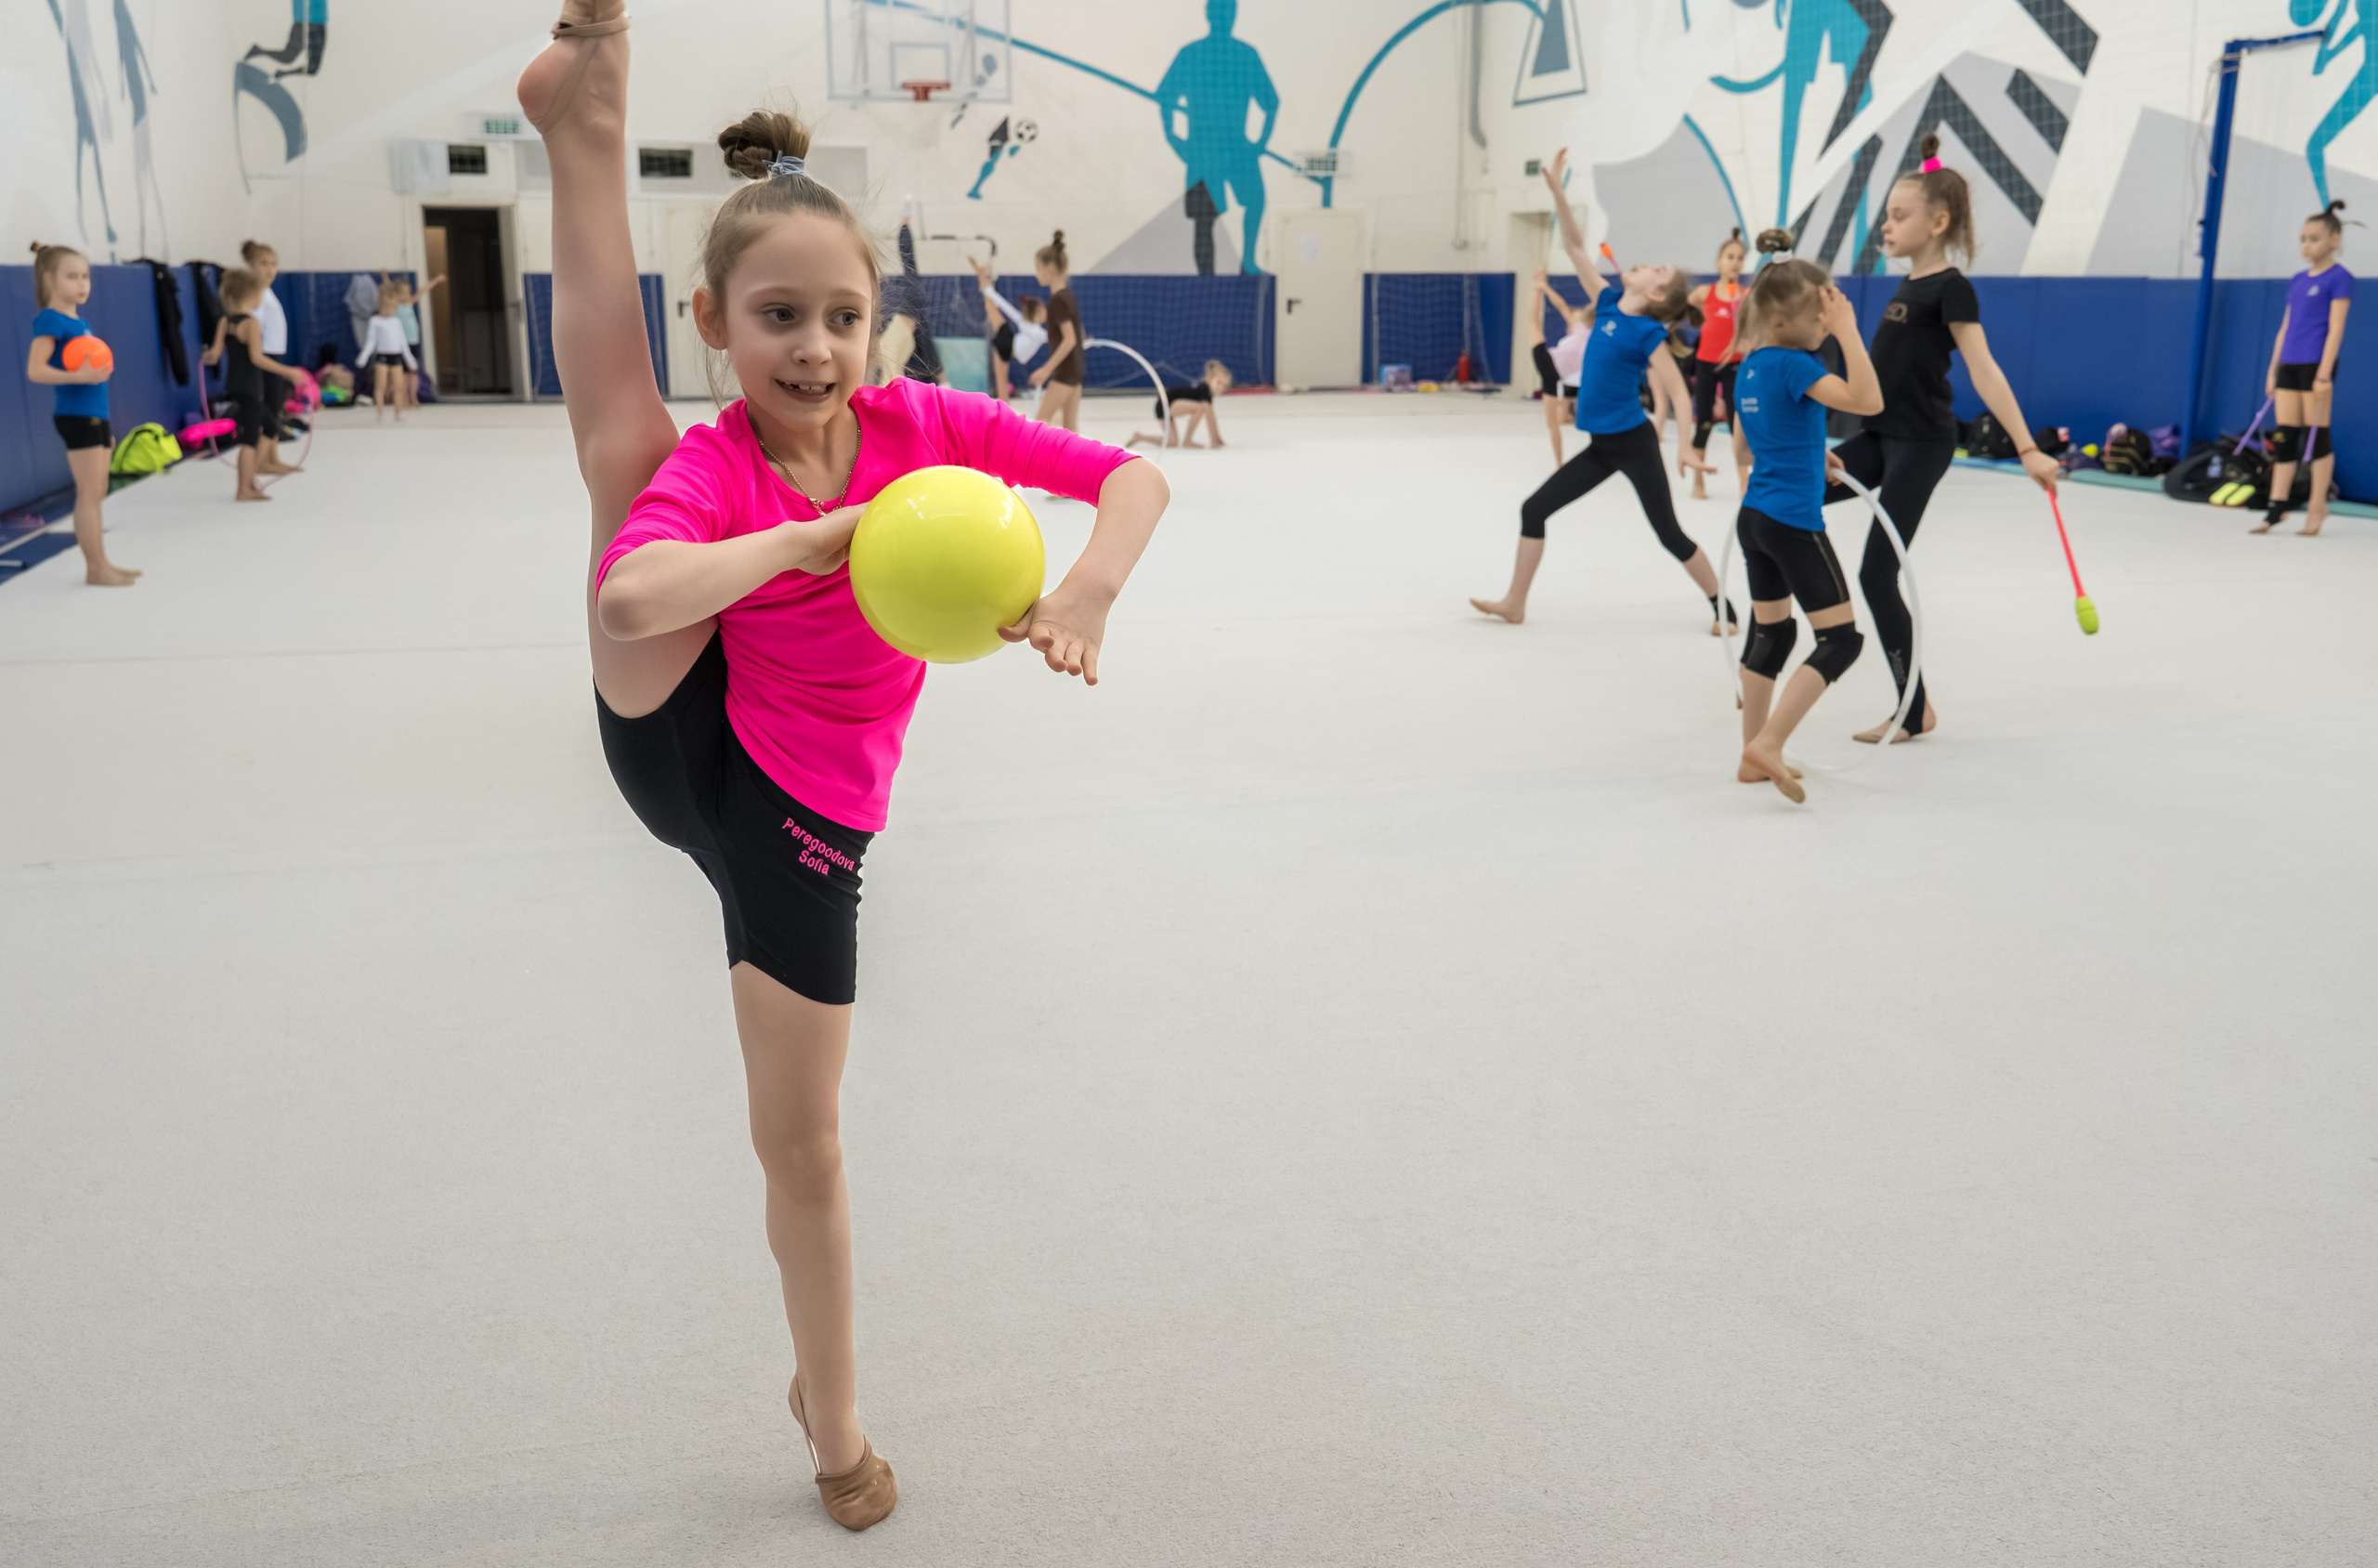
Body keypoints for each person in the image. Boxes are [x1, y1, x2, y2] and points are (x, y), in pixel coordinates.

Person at [516, 1, 1168, 1531]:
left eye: (838, 316)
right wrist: (810, 537)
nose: (810, 347)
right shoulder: (719, 460)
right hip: (683, 737)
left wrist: (1085, 590)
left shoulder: (920, 421)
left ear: (878, 322)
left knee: (799, 1131)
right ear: (718, 321)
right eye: (774, 317)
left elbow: (1128, 475)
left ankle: (582, 126)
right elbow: (624, 602)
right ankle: (842, 1429)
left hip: (808, 809)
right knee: (622, 461)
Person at [1830, 135, 2058, 744]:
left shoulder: (1950, 287)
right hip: (1878, 437)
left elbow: (1984, 368)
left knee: (1878, 574)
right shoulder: (1906, 286)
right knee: (1785, 496)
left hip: (1920, 446)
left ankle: (1914, 709)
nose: (1886, 224)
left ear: (1938, 221)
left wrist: (2027, 446)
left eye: (1899, 216)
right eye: (1886, 215)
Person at [1470, 149, 1732, 634]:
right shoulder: (1608, 304)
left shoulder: (1646, 334)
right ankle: (1514, 603)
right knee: (1534, 509)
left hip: (1632, 444)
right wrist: (1557, 193)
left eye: (1657, 270)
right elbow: (1573, 247)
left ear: (1656, 295)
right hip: (1601, 447)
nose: (1647, 264)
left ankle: (1724, 607)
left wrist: (1692, 448)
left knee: (1669, 533)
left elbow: (1677, 392)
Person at [1729, 261, 1884, 803]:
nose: (1824, 325)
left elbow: (1750, 443)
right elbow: (1868, 402)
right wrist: (1849, 332)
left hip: (1755, 518)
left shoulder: (1752, 365)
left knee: (1774, 633)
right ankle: (1769, 744)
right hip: (1793, 523)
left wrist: (1810, 450)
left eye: (1829, 317)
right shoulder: (1797, 364)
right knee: (1842, 640)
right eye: (1817, 317)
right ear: (1779, 318)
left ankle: (1752, 755)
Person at [24, 242, 139, 585]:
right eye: (72, 276)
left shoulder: (81, 321)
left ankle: (102, 561)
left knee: (99, 490)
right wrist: (80, 376)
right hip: (76, 415)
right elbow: (35, 370)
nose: (82, 284)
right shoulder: (50, 320)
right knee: (89, 493)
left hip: (95, 414)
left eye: (85, 276)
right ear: (49, 280)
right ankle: (95, 569)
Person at [1155, 0, 1277, 276]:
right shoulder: (1191, 54)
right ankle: (1206, 278)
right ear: (1209, 15)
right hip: (1202, 148)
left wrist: (1260, 143)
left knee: (1255, 200)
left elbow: (1272, 102)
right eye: (1220, 13)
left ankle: (1247, 260)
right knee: (1203, 218)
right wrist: (1172, 137)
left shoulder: (1245, 54)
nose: (1225, 18)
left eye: (1228, 13)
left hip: (1234, 146)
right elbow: (1165, 97)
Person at [2254, 199, 2353, 537]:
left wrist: (2324, 374)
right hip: (2289, 366)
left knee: (2317, 437)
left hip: (2315, 367)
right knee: (2285, 437)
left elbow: (2335, 328)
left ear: (2334, 240)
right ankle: (2277, 506)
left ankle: (2317, 505)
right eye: (2303, 238)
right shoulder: (2297, 280)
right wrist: (2273, 369)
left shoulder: (2339, 278)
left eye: (2314, 238)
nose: (2306, 245)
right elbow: (2286, 327)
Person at [203, 268, 302, 501]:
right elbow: (257, 358)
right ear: (251, 296)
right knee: (250, 437)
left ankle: (250, 482)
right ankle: (244, 489)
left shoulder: (224, 321)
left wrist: (206, 356)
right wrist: (288, 371)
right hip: (250, 387)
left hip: (234, 386)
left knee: (269, 426)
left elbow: (214, 355)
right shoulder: (252, 323)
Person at [1686, 230, 1749, 500]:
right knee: (1704, 422)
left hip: (1734, 367)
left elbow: (1754, 330)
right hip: (1706, 365)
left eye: (1740, 258)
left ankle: (1745, 484)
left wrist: (1739, 343)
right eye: (1730, 257)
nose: (1735, 262)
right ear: (1719, 262)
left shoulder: (1747, 295)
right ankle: (1698, 482)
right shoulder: (1704, 293)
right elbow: (1683, 308)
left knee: (1739, 423)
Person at [242, 241, 303, 477]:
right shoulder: (255, 294)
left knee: (276, 409)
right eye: (264, 264)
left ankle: (272, 458)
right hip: (263, 358)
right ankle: (260, 461)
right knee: (269, 410)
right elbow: (252, 327)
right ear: (251, 266)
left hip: (273, 354)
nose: (270, 269)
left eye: (274, 264)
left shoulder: (266, 291)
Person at [1524, 270, 1588, 466]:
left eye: (1577, 317)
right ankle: (1559, 463)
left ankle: (1537, 290)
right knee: (1552, 424)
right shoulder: (1583, 336)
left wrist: (1543, 287)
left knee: (1553, 424)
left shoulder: (1584, 331)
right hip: (1555, 372)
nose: (1573, 318)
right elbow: (1563, 308)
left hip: (1551, 368)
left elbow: (1562, 307)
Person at [967, 254, 1045, 399]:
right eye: (1043, 310)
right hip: (1007, 344)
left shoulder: (1028, 325)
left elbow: (1006, 307)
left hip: (1007, 341)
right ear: (1038, 313)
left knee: (991, 307)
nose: (1045, 313)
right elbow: (1056, 339)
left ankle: (982, 276)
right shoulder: (1036, 331)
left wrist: (989, 292)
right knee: (1001, 383)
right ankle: (983, 277)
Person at [1027, 230, 1084, 432]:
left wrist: (1045, 370)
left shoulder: (1057, 300)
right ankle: (1079, 464)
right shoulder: (1069, 296)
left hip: (1066, 372)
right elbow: (1079, 333)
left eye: (1038, 268)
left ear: (1050, 268)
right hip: (1076, 370)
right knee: (1070, 429)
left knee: (1040, 423)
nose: (1037, 274)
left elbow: (1069, 340)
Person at [1127, 359, 1234, 449]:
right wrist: (1214, 442)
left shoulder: (1208, 394)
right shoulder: (1204, 389)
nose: (1221, 388)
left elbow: (1211, 417)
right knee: (1201, 408)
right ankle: (1187, 441)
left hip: (1163, 407)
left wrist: (1218, 438)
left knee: (1172, 442)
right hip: (1167, 403)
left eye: (1225, 386)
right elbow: (1209, 416)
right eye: (1218, 383)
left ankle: (1140, 437)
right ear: (1209, 379)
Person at [355, 282, 419, 422]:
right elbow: (371, 341)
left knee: (398, 386)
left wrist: (409, 359)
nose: (389, 310)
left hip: (396, 356)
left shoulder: (396, 322)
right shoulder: (375, 321)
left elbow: (402, 343)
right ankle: (380, 411)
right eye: (386, 307)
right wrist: (364, 356)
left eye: (392, 307)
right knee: (381, 385)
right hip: (382, 356)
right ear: (380, 307)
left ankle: (399, 411)